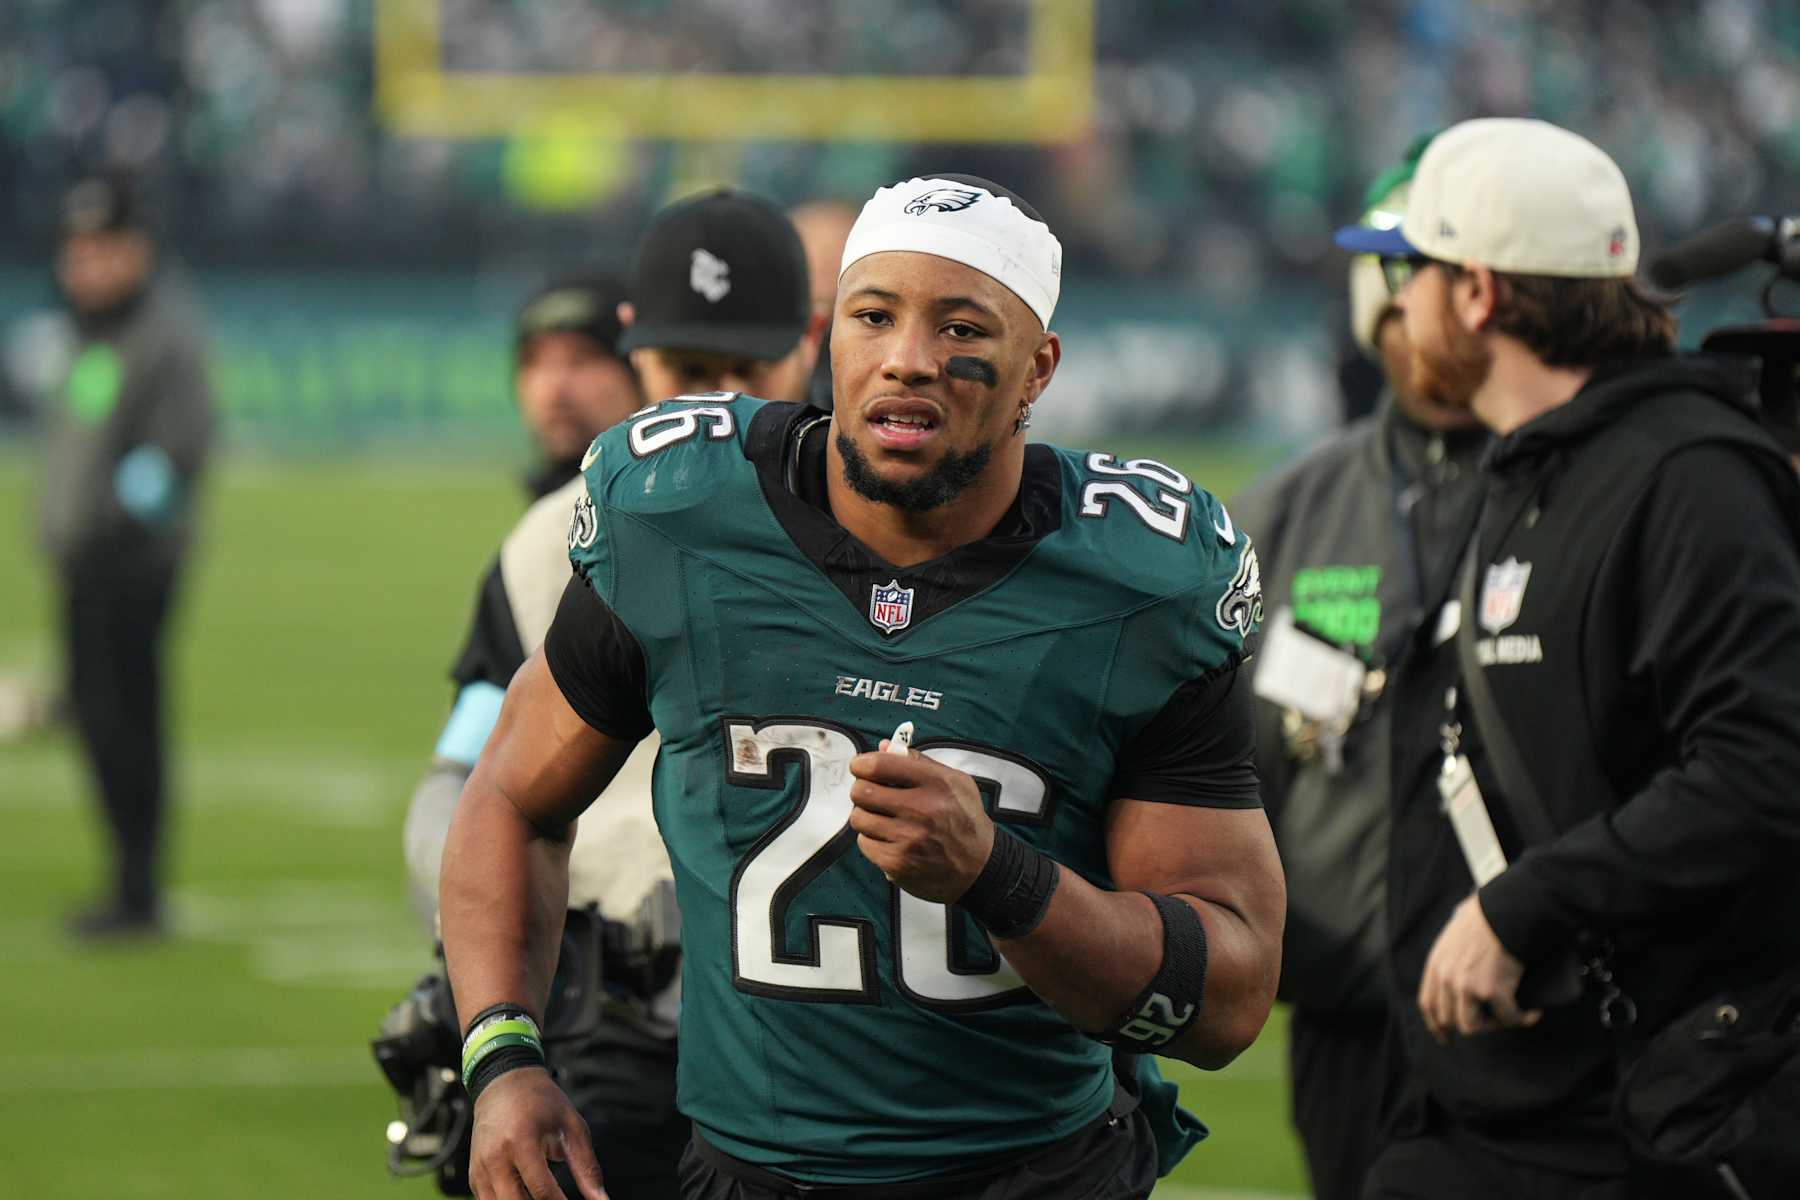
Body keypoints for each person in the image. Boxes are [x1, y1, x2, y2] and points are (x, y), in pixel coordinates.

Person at [437, 173, 1285, 1200]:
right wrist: (505, 1058)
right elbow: (513, 798)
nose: (909, 359)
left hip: (1033, 1176)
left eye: (961, 325)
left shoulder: (1140, 583)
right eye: (874, 317)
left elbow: (1230, 995)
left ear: (1036, 369)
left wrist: (999, 877)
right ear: (828, 338)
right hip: (742, 1174)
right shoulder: (679, 517)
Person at [1335, 118, 1800, 1198]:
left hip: (1637, 1116)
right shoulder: (1539, 469)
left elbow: (1768, 762)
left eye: (1416, 273)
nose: (1396, 305)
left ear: (1481, 294)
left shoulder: (1688, 476)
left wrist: (1526, 904)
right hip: (1509, 1098)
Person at [394, 190, 822, 1200]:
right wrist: (493, 1007)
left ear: (810, 347)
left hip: (833, 1047)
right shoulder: (554, 540)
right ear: (636, 349)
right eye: (687, 372)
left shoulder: (894, 524)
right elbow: (459, 790)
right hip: (613, 1024)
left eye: (744, 372)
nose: (716, 403)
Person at [1229, 133, 1488, 1200]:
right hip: (1346, 1006)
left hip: (1526, 997)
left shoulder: (1587, 493)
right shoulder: (1289, 508)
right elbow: (1221, 760)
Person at [39, 174, 216, 938]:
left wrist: (115, 516)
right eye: (78, 251)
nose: (87, 266)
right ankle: (128, 879)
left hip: (131, 563)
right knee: (99, 712)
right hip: (83, 559)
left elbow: (178, 450)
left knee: (124, 718)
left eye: (102, 249)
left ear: (135, 249)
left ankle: (136, 888)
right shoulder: (87, 333)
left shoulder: (162, 333)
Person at [510, 277, 641, 500]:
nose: (555, 388)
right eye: (535, 362)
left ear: (640, 372)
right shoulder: (536, 528)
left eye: (581, 360)